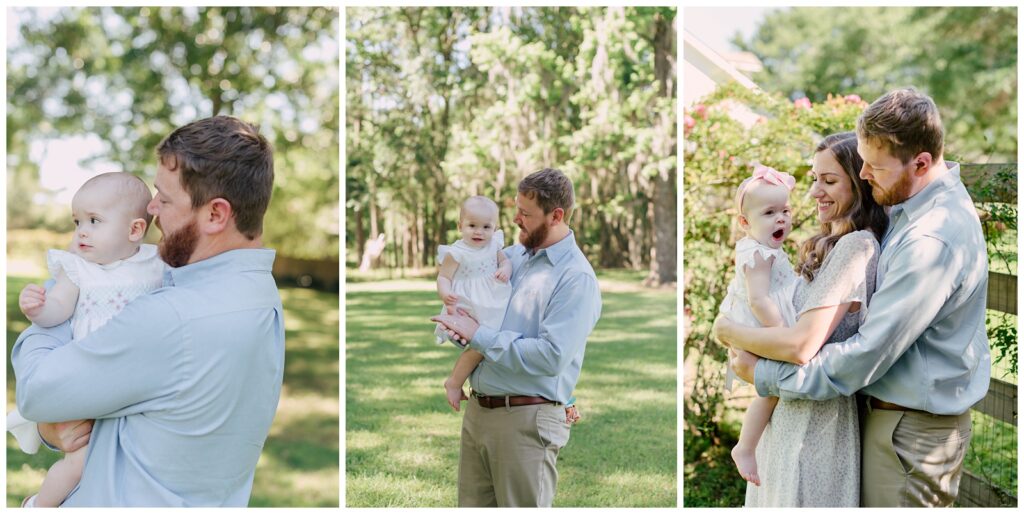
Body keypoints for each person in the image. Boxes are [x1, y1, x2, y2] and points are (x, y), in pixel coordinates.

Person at [719, 88, 990, 507]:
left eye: (873, 166)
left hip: (910, 429)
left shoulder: (930, 238)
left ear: (921, 163)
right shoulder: (908, 209)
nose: (864, 174)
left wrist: (759, 368)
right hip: (880, 416)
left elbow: (863, 353)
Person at [11, 115, 284, 507]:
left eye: (165, 198)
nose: (152, 208)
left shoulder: (173, 318)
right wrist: (52, 429)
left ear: (216, 214)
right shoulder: (260, 296)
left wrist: (67, 290)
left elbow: (36, 390)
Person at [432, 167, 601, 507]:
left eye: (526, 214)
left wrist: (479, 335)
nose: (516, 220)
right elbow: (476, 318)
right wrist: (461, 326)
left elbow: (552, 356)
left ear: (556, 215)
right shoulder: (511, 257)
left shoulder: (575, 278)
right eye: (516, 209)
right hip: (479, 412)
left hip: (526, 422)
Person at [10, 172, 166, 507]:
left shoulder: (156, 265)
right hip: (89, 376)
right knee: (77, 463)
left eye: (95, 221)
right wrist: (38, 309)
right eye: (78, 220)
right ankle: (38, 505)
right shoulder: (78, 268)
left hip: (133, 381)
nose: (82, 230)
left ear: (135, 230)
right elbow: (59, 308)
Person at [719, 164, 799, 487]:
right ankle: (745, 447)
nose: (781, 218)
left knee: (772, 391)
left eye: (785, 210)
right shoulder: (759, 255)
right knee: (769, 392)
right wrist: (784, 333)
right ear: (744, 222)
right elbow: (758, 301)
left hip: (759, 326)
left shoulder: (765, 249)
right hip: (760, 327)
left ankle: (754, 445)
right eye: (769, 212)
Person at [435, 195, 513, 411]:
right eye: (472, 226)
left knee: (490, 342)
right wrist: (445, 294)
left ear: (494, 227)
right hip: (469, 303)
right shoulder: (457, 252)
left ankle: (472, 381)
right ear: (460, 226)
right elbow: (444, 277)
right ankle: (454, 382)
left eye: (486, 227)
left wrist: (505, 269)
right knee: (480, 346)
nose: (479, 232)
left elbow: (505, 261)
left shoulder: (494, 244)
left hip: (494, 300)